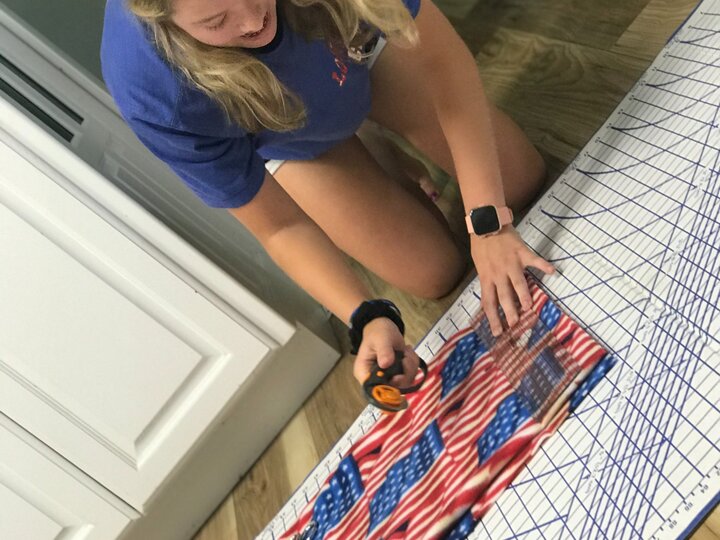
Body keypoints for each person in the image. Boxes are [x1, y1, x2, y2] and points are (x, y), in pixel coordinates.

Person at [101, 0, 555, 390]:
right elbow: (279, 225)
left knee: (518, 182)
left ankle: (369, 124)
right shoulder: (152, 89)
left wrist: (488, 221)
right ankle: (369, 151)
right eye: (216, 21)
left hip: (350, 41)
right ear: (164, 22)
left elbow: (443, 62)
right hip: (284, 131)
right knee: (434, 272)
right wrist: (365, 316)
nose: (251, 20)